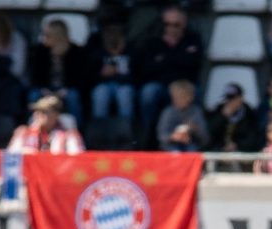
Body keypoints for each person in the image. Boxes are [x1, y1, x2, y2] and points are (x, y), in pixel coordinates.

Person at [134, 6, 203, 137]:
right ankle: (147, 133)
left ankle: (192, 135)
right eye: (167, 24)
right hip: (160, 84)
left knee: (194, 92)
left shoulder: (193, 39)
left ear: (184, 24)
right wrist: (177, 57)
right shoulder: (153, 41)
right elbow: (147, 69)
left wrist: (166, 58)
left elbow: (193, 65)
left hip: (184, 84)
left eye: (176, 25)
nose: (171, 28)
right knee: (148, 92)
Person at [29, 18, 90, 124]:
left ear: (57, 36)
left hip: (67, 88)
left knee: (73, 96)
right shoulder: (40, 51)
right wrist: (44, 89)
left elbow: (80, 77)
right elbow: (35, 75)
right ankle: (33, 128)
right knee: (34, 95)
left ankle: (77, 129)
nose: (43, 37)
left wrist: (64, 90)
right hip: (45, 88)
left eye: (47, 35)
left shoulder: (76, 51)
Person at [6, 94, 84, 154]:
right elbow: (11, 157)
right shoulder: (23, 132)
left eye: (43, 112)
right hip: (29, 173)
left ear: (56, 114)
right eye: (36, 111)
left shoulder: (69, 135)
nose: (38, 114)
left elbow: (76, 159)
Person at [88, 23, 135, 122]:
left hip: (125, 84)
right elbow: (88, 77)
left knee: (124, 93)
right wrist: (101, 74)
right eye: (109, 32)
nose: (113, 35)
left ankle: (126, 129)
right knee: (100, 93)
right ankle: (99, 131)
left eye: (117, 32)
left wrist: (121, 72)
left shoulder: (131, 49)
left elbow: (138, 75)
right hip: (102, 84)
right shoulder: (96, 50)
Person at [213, 82, 264, 157]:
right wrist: (222, 117)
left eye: (233, 98)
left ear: (241, 98)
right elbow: (210, 133)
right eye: (227, 98)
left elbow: (253, 138)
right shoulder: (219, 110)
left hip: (242, 153)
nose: (229, 102)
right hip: (220, 151)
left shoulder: (249, 113)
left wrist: (237, 145)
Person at [158, 80, 209, 152]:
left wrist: (194, 129)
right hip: (170, 146)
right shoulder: (168, 112)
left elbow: (205, 138)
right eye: (175, 97)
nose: (177, 100)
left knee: (192, 150)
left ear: (190, 98)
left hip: (191, 145)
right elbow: (162, 135)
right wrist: (174, 137)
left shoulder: (196, 111)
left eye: (181, 97)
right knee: (174, 151)